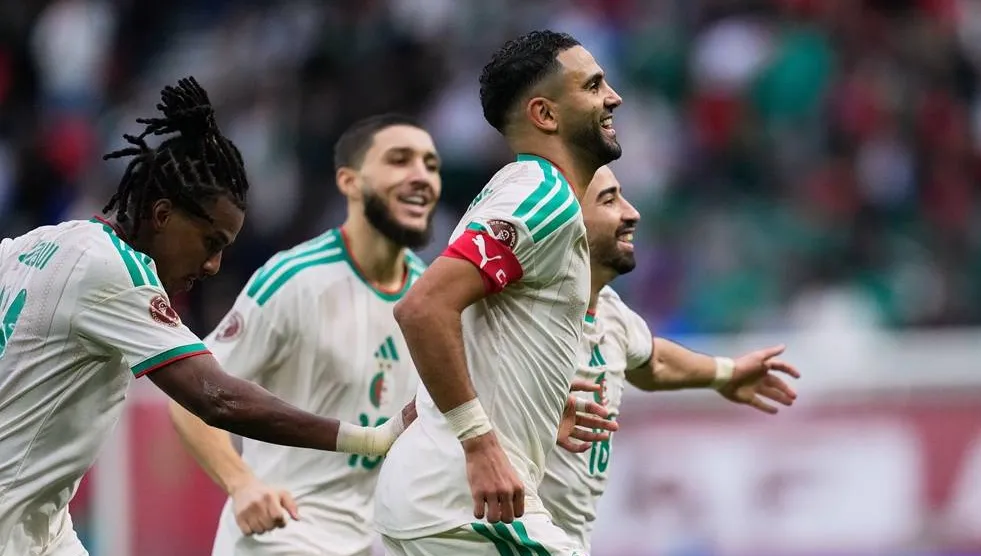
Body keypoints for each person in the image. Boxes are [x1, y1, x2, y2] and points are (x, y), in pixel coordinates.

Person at [0, 78, 406, 556]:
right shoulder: (114, 272)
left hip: (42, 528)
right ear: (163, 213)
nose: (212, 266)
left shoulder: (33, 244)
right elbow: (217, 398)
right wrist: (372, 437)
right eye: (210, 242)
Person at [374, 30, 622, 556]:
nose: (613, 97)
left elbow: (476, 322)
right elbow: (423, 307)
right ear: (546, 115)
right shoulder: (544, 194)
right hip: (459, 503)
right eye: (594, 85)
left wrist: (536, 402)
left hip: (436, 500)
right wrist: (480, 443)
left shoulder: (520, 191)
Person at [169, 114, 438, 556]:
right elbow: (191, 397)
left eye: (431, 164)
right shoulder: (295, 279)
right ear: (350, 181)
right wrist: (242, 485)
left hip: (377, 540)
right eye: (399, 160)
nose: (421, 176)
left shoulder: (430, 297)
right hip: (285, 534)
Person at [538, 166, 802, 552]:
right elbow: (436, 325)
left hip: (563, 541)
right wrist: (524, 413)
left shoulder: (611, 313)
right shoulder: (517, 309)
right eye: (609, 200)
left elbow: (652, 362)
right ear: (568, 224)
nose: (631, 212)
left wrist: (724, 373)